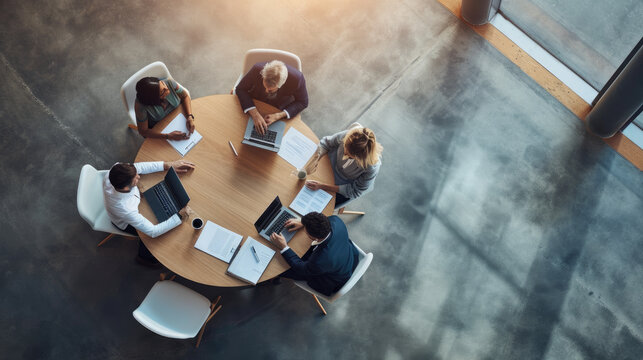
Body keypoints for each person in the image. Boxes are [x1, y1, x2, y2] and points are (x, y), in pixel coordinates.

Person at [103, 160, 195, 267]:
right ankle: (144, 257)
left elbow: (139, 167)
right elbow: (153, 231)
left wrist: (167, 165)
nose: (139, 176)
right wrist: (179, 216)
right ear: (126, 187)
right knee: (152, 236)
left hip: (128, 208)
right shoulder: (125, 208)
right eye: (135, 178)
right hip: (124, 223)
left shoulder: (114, 172)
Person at [270, 212, 359, 296]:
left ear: (314, 237)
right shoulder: (336, 221)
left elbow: (301, 269)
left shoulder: (320, 261)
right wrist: (303, 223)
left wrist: (284, 247)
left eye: (306, 231)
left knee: (281, 269)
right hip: (347, 256)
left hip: (329, 280)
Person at [305, 126, 383, 208]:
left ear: (360, 158)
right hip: (326, 166)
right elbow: (326, 143)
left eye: (349, 156)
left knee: (314, 208)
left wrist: (323, 186)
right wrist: (315, 160)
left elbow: (355, 191)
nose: (344, 154)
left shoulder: (371, 167)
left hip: (340, 186)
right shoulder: (348, 135)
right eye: (345, 147)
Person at [235, 60, 309, 135]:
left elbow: (303, 102)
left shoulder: (297, 79)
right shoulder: (257, 69)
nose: (266, 91)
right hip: (255, 103)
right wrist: (255, 114)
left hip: (279, 108)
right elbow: (240, 89)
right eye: (265, 86)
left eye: (270, 90)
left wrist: (279, 115)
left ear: (282, 83)